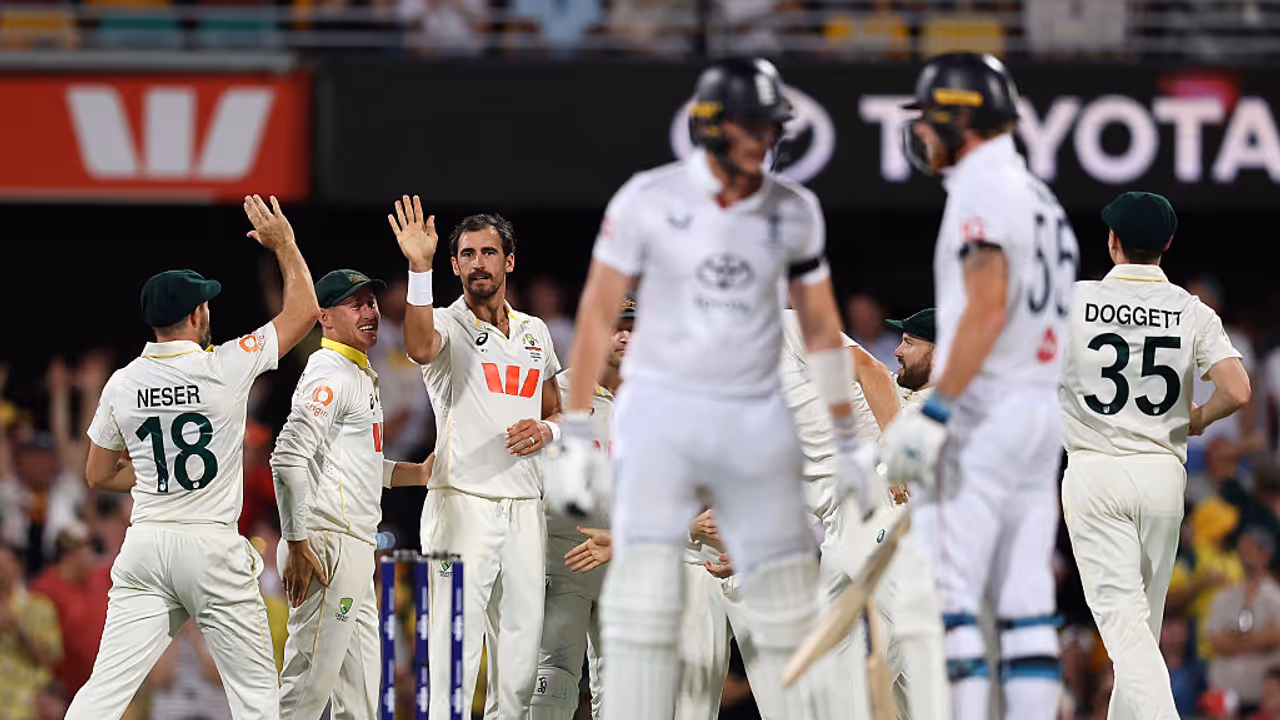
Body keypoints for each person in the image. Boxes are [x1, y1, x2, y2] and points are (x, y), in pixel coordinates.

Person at [552, 57, 871, 720]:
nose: (766, 141)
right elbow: (594, 314)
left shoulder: (796, 210)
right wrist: (579, 436)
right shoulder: (647, 199)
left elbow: (820, 330)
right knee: (646, 675)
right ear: (711, 126)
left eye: (772, 128)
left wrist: (848, 442)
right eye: (752, 126)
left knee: (797, 678)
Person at [65, 194, 318, 720]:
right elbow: (303, 314)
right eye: (206, 306)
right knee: (256, 702)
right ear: (198, 313)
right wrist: (286, 245)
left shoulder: (122, 382)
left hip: (147, 547)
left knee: (102, 694)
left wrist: (156, 481)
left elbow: (97, 473)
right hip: (211, 548)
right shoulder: (226, 365)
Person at [881, 53, 1080, 720]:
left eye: (930, 117)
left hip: (986, 409)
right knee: (1025, 602)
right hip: (1035, 412)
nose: (922, 132)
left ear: (960, 116)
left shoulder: (981, 186)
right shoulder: (1040, 194)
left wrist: (934, 411)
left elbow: (987, 305)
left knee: (956, 595)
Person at [1059, 191, 1251, 720]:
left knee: (1126, 633)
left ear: (1112, 241)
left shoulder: (1073, 301)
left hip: (1096, 471)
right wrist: (1200, 418)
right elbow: (1237, 389)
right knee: (1139, 634)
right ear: (1166, 244)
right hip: (1163, 477)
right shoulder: (1192, 310)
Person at [388, 202, 564, 718]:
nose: (479, 262)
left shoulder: (536, 332)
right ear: (455, 266)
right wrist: (418, 267)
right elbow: (419, 347)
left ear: (510, 261)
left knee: (520, 663)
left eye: (489, 252)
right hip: (460, 504)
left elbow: (554, 407)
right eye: (467, 254)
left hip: (525, 507)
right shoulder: (444, 324)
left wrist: (546, 429)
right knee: (451, 653)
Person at [271, 269, 429, 720]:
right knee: (305, 693)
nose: (370, 311)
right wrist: (299, 543)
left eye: (371, 302)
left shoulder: (359, 373)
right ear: (325, 317)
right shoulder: (331, 373)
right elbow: (286, 459)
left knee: (360, 700)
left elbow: (351, 466)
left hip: (353, 548)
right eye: (354, 304)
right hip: (326, 545)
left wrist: (416, 472)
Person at [529, 296, 632, 720]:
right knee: (553, 680)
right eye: (615, 326)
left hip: (623, 561)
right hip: (563, 556)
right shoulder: (558, 392)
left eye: (635, 328)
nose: (626, 335)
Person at [29, 524, 111, 698]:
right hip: (65, 693)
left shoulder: (100, 577)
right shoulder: (44, 590)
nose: (91, 554)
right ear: (68, 554)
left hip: (105, 688)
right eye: (85, 547)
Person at [1206, 529, 1280, 716]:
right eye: (1241, 551)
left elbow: (1275, 637)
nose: (1243, 555)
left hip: (1262, 699)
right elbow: (1214, 640)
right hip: (1225, 695)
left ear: (1265, 554)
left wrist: (1233, 639)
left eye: (1250, 549)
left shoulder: (1276, 597)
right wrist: (1259, 638)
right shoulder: (1224, 597)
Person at [0, 541, 62, 720]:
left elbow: (50, 659)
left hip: (27, 705)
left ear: (18, 567)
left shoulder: (40, 607)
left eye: (3, 565)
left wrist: (19, 631)